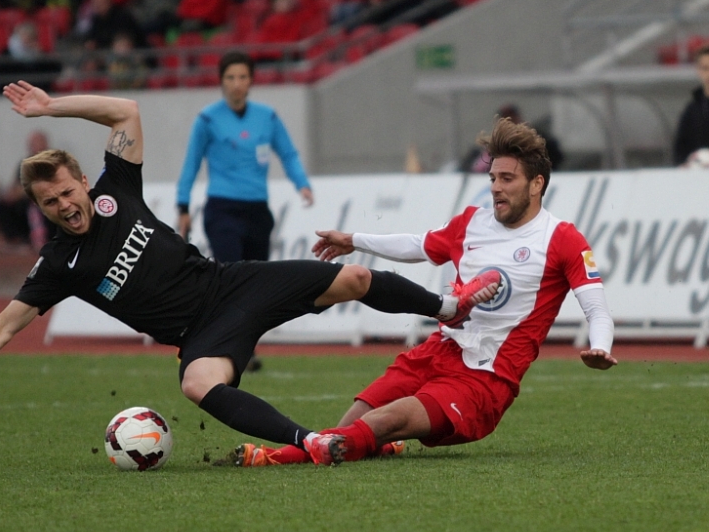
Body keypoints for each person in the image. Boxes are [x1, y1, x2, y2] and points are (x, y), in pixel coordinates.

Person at [0, 80, 500, 465]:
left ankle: (450, 307)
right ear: (39, 210)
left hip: (231, 284)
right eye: (50, 203)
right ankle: (312, 441)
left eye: (68, 192)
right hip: (201, 334)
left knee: (354, 280)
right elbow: (5, 324)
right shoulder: (57, 265)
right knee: (195, 383)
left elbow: (126, 111)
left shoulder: (117, 189)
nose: (65, 206)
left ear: (84, 182)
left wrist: (49, 107)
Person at [234, 117, 618, 467]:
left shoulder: (561, 239)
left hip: (484, 379)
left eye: (507, 179)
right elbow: (418, 245)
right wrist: (353, 240)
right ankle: (380, 447)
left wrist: (600, 347)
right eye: (493, 178)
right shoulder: (473, 222)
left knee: (382, 422)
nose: (496, 188)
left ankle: (272, 457)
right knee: (353, 423)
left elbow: (597, 310)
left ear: (537, 184)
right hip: (436, 352)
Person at [176, 51, 310, 261]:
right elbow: (192, 163)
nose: (236, 84)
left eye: (242, 77)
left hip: (258, 208)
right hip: (222, 208)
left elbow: (288, 154)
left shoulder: (268, 116)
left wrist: (302, 184)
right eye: (230, 77)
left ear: (251, 80)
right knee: (230, 272)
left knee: (256, 275)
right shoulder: (207, 119)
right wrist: (183, 206)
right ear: (221, 80)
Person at [0, 129, 58, 251]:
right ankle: (16, 238)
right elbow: (17, 184)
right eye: (33, 144)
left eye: (38, 143)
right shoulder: (25, 164)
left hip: (46, 200)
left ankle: (42, 239)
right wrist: (11, 194)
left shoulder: (55, 162)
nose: (35, 147)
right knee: (0, 205)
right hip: (26, 199)